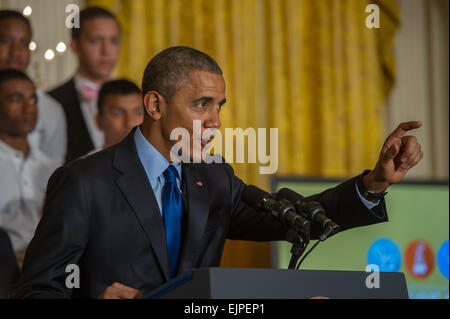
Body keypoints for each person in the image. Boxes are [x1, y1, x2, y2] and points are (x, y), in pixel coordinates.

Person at [11, 46, 423, 299]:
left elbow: (290, 218)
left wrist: (374, 183)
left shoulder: (215, 177)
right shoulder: (83, 183)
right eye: (201, 105)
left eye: (219, 106)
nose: (216, 122)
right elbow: (36, 289)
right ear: (155, 105)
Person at [0, 69, 58, 269]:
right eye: (16, 100)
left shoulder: (51, 167)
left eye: (33, 100)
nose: (28, 109)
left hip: (49, 265)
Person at [48, 6, 121, 163]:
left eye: (113, 40)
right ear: (75, 46)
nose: (106, 50)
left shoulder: (139, 98)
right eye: (95, 40)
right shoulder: (51, 101)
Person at [0, 10, 67, 166]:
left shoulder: (50, 108)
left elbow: (54, 169)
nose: (15, 52)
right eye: (5, 41)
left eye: (24, 44)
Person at [94, 79, 143, 151]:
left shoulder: (160, 161)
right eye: (117, 114)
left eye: (138, 113)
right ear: (99, 121)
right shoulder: (84, 162)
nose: (130, 122)